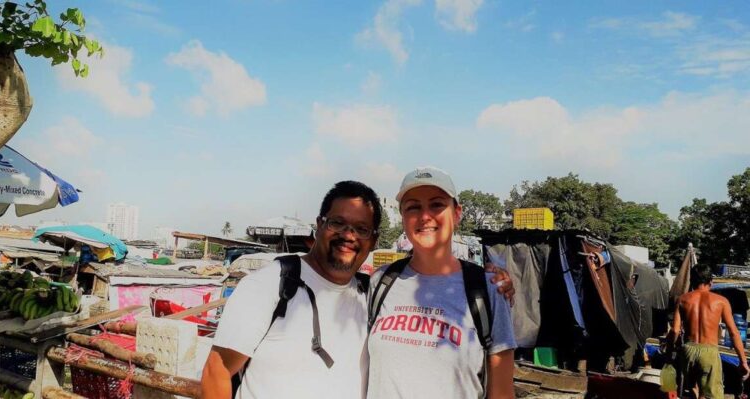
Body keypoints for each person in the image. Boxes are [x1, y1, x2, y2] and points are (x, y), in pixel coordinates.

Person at [201, 180, 514, 399]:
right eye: (338, 223)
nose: (348, 235)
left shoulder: (373, 290)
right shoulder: (270, 285)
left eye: (361, 229)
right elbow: (217, 373)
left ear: (374, 240)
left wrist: (492, 281)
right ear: (319, 224)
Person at [367, 166, 516, 399]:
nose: (425, 216)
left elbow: (502, 394)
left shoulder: (488, 290)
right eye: (413, 207)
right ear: (403, 217)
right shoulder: (381, 282)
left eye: (437, 204)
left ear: (457, 213)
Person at [669, 264, 750, 398]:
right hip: (709, 352)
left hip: (688, 350)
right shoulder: (721, 301)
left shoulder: (682, 299)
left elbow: (675, 330)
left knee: (692, 389)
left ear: (692, 281)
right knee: (711, 394)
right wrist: (743, 361)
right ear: (711, 281)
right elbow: (734, 332)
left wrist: (669, 354)